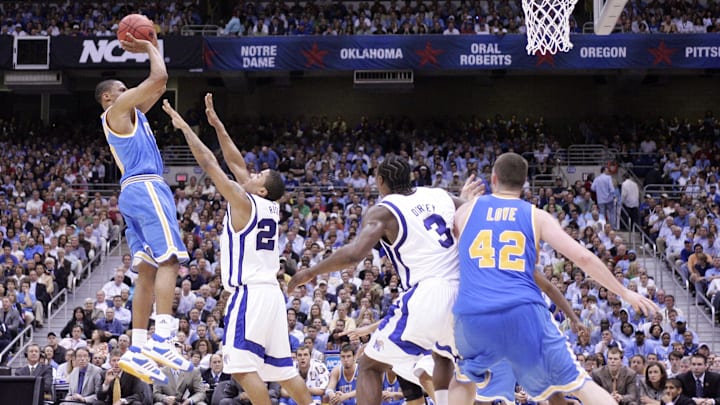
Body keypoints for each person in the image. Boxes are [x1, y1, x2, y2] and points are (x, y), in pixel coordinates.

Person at [450, 153, 658, 405]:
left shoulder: (464, 212)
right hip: (522, 311)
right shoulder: (536, 216)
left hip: (472, 315)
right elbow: (583, 258)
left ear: (493, 178)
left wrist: (464, 201)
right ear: (524, 182)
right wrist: (625, 292)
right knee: (581, 385)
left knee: (463, 379)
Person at [289, 155, 481, 405]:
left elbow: (355, 253)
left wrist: (310, 272)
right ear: (410, 176)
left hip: (428, 292)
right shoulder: (439, 195)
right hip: (464, 295)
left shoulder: (385, 209)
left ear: (380, 181)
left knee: (369, 366)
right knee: (443, 354)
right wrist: (465, 201)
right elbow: (469, 213)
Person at [161, 93, 313, 405]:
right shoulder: (267, 205)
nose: (250, 173)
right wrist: (218, 125)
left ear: (261, 189)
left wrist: (185, 129)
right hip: (271, 294)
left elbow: (211, 164)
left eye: (257, 175)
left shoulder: (243, 202)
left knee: (240, 369)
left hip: (251, 294)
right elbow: (235, 162)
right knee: (284, 372)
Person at [94, 31, 191, 383]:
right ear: (108, 97)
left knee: (148, 270)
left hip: (132, 193)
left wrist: (150, 54)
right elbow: (160, 77)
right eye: (122, 88)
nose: (127, 91)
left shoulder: (132, 113)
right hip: (146, 186)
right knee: (169, 259)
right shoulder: (118, 110)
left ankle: (137, 346)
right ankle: (163, 337)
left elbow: (158, 87)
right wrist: (149, 46)